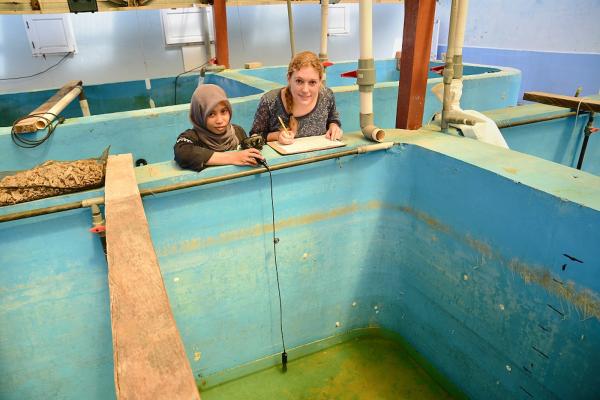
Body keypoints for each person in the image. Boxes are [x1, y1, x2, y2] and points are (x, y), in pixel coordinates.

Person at [249, 51, 342, 145]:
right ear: (289, 79)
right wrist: (277, 136)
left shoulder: (327, 96)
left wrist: (334, 126)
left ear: (320, 81)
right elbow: (254, 137)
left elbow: (333, 119)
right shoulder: (270, 101)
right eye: (299, 81)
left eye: (312, 82)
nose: (305, 90)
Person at [174, 84, 263, 171]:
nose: (220, 120)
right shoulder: (191, 137)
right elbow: (183, 153)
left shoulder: (237, 131)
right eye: (211, 114)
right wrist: (232, 157)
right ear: (199, 115)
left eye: (223, 111)